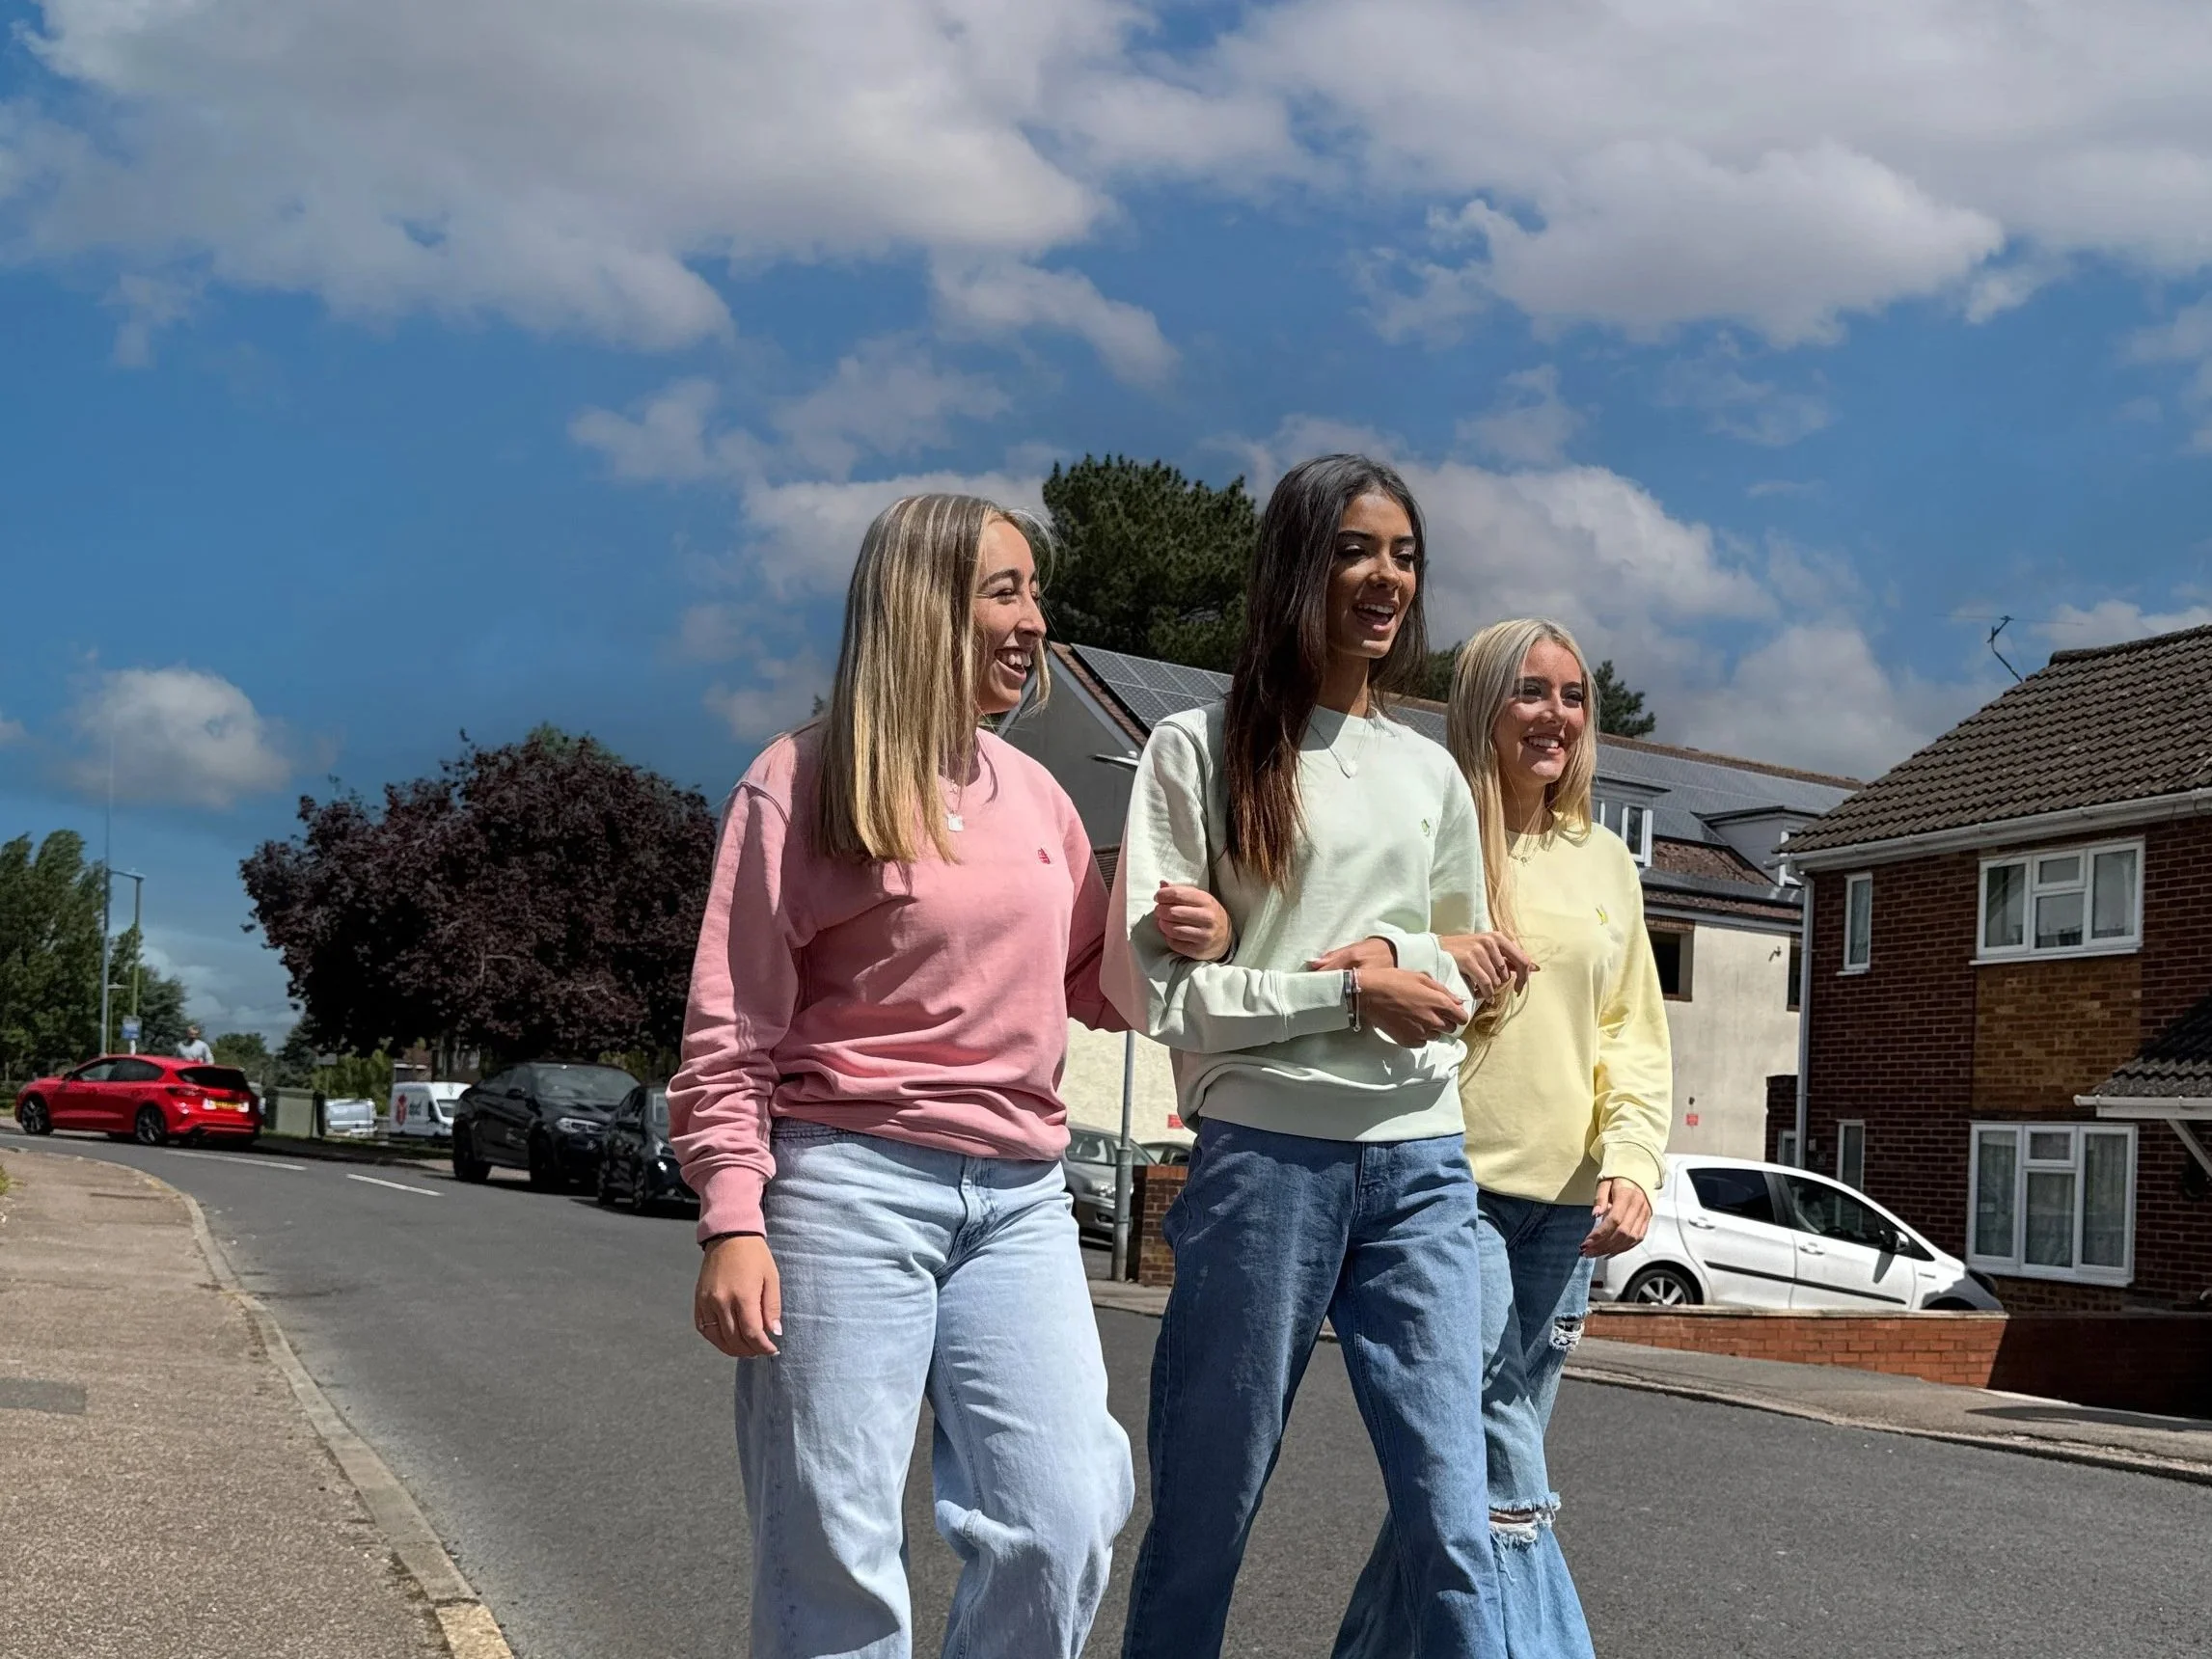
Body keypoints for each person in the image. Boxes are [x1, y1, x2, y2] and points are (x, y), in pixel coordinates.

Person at [669, 493, 1223, 1659]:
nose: (1033, 623)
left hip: (1020, 1197)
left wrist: (1176, 936)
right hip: (843, 1187)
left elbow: (1089, 980)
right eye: (1004, 592)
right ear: (922, 605)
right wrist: (733, 1217)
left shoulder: (1037, 796)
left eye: (1035, 594)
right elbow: (730, 1026)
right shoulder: (803, 779)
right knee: (835, 1541)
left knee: (1066, 1516)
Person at [1105, 454, 1511, 1659]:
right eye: (1352, 550)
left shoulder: (1430, 767)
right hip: (1264, 1164)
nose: (1384, 578)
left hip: (1422, 1163)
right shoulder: (1198, 747)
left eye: (1401, 554)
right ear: (1294, 566)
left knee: (1453, 1518)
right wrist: (1348, 989)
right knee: (1207, 1509)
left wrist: (1395, 954)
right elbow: (1166, 997)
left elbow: (1468, 963)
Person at [1331, 617, 1673, 1659]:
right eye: (1531, 691)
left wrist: (1633, 1160)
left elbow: (1630, 1030)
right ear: (1483, 705)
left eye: (1572, 697)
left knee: (1460, 1467)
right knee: (1491, 1438)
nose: (1555, 715)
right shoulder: (1429, 835)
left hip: (1569, 1207)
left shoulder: (1606, 860)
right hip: (1446, 1184)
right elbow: (1351, 962)